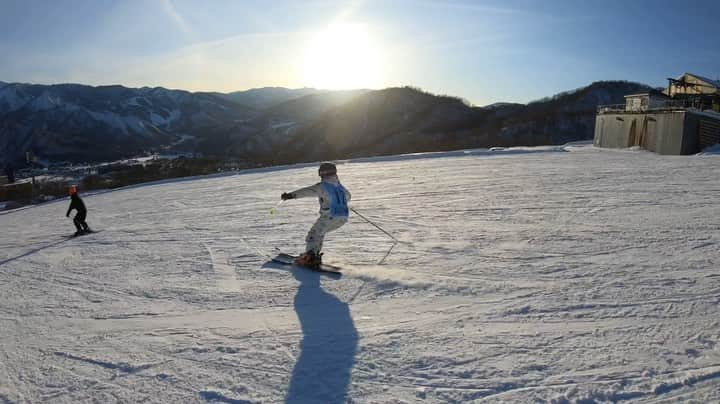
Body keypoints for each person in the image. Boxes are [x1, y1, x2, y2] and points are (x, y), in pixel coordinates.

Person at [281, 162, 351, 267]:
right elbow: (348, 196)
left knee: (313, 235)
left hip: (329, 216)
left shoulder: (323, 186)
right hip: (343, 218)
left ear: (322, 173)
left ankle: (310, 258)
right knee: (319, 233)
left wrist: (291, 195)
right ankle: (313, 256)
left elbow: (308, 191)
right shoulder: (340, 187)